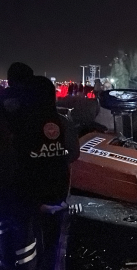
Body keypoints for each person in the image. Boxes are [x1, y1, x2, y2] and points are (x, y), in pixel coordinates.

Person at [0, 63, 80, 270]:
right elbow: (74, 154)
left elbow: (13, 159)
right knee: (52, 246)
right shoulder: (63, 122)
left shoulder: (17, 120)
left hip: (25, 197)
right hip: (57, 195)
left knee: (22, 245)